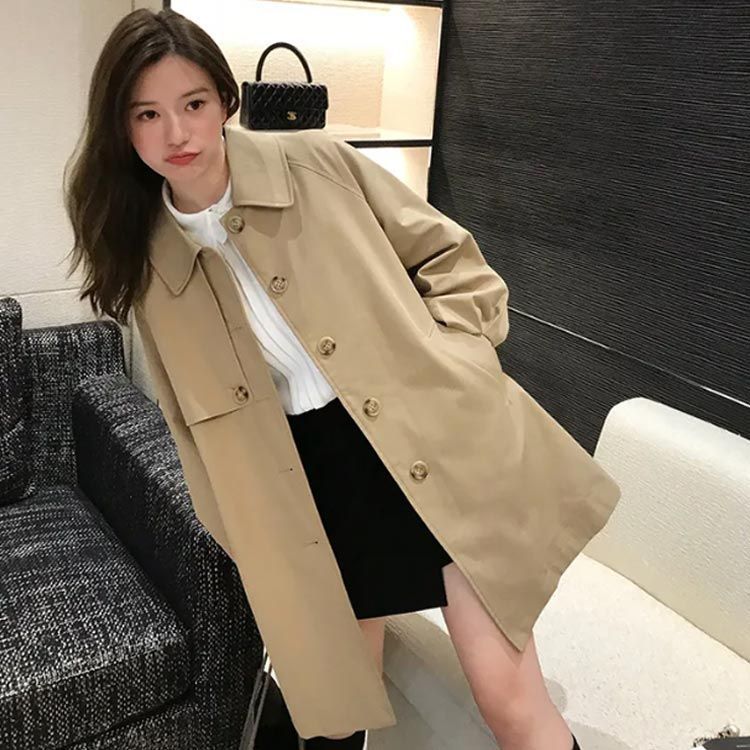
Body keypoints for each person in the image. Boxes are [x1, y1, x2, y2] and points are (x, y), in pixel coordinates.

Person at [64, 8, 621, 750]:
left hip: (427, 445)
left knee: (508, 698)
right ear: (123, 129)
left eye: (193, 103)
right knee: (337, 711)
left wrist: (451, 361)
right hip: (307, 488)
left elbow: (454, 263)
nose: (177, 133)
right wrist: (245, 530)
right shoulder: (144, 263)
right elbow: (186, 424)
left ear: (226, 99)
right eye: (147, 114)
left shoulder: (317, 165)